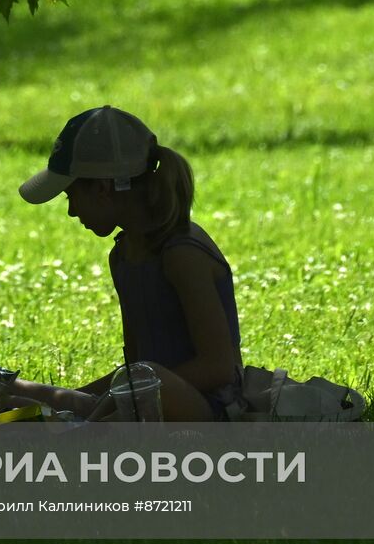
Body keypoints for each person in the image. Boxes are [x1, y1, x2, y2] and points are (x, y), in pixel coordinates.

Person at [14, 106, 244, 421]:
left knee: (117, 397)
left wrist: (112, 402)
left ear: (102, 190)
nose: (71, 212)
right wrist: (84, 399)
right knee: (25, 396)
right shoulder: (123, 256)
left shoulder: (182, 254)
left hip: (211, 413)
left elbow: (219, 367)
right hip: (144, 401)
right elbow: (135, 369)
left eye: (70, 196)